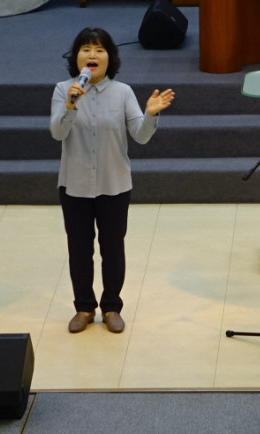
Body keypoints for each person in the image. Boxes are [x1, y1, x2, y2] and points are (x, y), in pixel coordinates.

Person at [50, 28, 175, 334]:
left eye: (99, 50)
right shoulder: (63, 90)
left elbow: (141, 136)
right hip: (75, 185)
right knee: (79, 249)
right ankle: (83, 307)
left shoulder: (123, 92)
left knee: (113, 249)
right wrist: (70, 106)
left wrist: (151, 115)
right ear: (76, 57)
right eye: (86, 49)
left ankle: (111, 307)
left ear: (110, 57)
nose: (92, 55)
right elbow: (57, 132)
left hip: (114, 184)